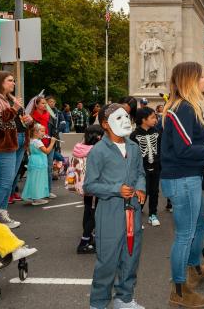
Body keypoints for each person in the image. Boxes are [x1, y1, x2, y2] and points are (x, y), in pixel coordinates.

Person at [161, 62, 204, 308]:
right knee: (185, 234)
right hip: (182, 179)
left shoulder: (187, 108)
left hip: (188, 177)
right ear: (191, 81)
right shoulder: (183, 109)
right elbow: (184, 149)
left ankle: (193, 270)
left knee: (197, 226)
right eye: (202, 77)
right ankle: (179, 290)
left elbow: (193, 140)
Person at [84, 103, 146, 309]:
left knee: (131, 257)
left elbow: (140, 173)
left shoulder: (134, 147)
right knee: (107, 260)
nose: (126, 120)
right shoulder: (98, 151)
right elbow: (90, 185)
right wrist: (115, 189)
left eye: (127, 116)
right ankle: (98, 303)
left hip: (133, 211)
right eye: (119, 118)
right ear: (105, 124)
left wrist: (140, 188)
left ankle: (124, 299)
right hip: (109, 213)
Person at [0, 71, 32, 229]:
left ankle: (2, 213)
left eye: (13, 81)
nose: (13, 83)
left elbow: (14, 120)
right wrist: (14, 109)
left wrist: (27, 120)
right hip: (1, 145)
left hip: (16, 142)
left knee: (8, 183)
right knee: (4, 183)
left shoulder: (8, 98)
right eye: (10, 80)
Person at [68, 124, 104, 254]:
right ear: (99, 137)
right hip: (94, 186)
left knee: (88, 211)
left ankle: (89, 239)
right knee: (94, 215)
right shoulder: (95, 150)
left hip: (83, 186)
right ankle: (84, 242)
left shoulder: (79, 147)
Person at [130, 107, 162, 227]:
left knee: (154, 191)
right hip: (142, 169)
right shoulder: (134, 135)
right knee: (142, 191)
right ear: (144, 119)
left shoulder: (157, 133)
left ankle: (152, 214)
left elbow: (160, 149)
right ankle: (137, 216)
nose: (155, 120)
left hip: (156, 166)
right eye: (153, 117)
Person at [21, 123, 56, 205]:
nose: (44, 133)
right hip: (39, 162)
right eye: (42, 131)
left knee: (33, 180)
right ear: (35, 132)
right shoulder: (38, 142)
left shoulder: (31, 140)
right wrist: (52, 143)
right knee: (39, 180)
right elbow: (47, 151)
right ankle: (37, 198)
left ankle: (31, 196)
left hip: (33, 161)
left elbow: (29, 151)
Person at [30, 96, 57, 199]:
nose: (45, 105)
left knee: (48, 168)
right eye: (42, 103)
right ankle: (37, 192)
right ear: (36, 105)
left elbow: (53, 130)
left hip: (49, 143)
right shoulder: (32, 116)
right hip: (37, 146)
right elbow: (30, 132)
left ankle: (48, 191)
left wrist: (54, 142)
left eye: (45, 103)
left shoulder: (50, 116)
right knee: (38, 170)